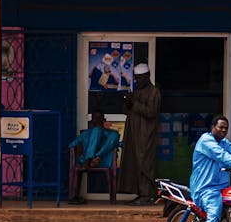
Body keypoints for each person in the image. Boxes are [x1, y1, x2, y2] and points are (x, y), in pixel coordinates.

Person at [118, 63, 162, 205]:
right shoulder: (137, 91)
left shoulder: (153, 92)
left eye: (140, 78)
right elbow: (128, 111)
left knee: (145, 163)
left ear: (147, 76)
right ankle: (140, 193)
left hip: (146, 135)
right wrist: (127, 102)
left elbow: (151, 112)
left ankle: (148, 194)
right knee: (134, 163)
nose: (138, 81)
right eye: (136, 78)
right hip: (134, 134)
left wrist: (134, 103)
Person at [68, 111, 120, 203]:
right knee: (97, 130)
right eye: (96, 118)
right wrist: (79, 146)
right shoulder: (86, 133)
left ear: (104, 120)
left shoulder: (111, 134)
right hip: (85, 162)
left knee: (115, 134)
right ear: (92, 121)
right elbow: (72, 145)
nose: (98, 120)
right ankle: (89, 158)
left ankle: (95, 158)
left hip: (103, 162)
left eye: (100, 118)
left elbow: (119, 143)